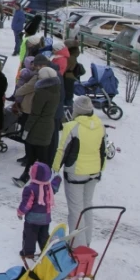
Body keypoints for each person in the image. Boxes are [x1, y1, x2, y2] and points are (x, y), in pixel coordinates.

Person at [51, 95, 105, 247]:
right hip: (94, 172)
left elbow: (61, 150)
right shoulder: (100, 125)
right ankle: (86, 242)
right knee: (87, 206)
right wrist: (101, 169)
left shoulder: (72, 126)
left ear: (77, 110)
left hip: (76, 173)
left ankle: (76, 246)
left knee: (75, 210)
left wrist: (54, 170)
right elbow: (103, 150)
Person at [14, 67, 61, 187]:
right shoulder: (56, 90)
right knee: (42, 157)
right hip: (48, 127)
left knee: (33, 155)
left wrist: (26, 129)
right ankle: (29, 178)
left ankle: (32, 180)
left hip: (37, 128)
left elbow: (35, 113)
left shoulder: (42, 93)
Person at [17, 162, 61, 259]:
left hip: (32, 219)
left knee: (29, 236)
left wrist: (20, 212)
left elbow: (27, 203)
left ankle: (28, 253)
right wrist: (57, 179)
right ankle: (45, 251)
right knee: (43, 236)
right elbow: (55, 187)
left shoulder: (30, 188)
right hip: (45, 218)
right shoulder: (49, 187)